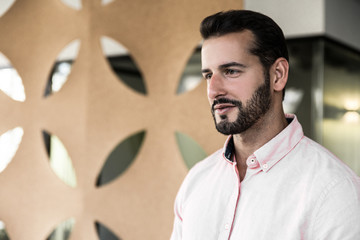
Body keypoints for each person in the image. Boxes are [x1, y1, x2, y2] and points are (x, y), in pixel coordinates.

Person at [170, 10, 360, 240]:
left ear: (278, 75)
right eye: (208, 75)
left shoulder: (334, 190)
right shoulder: (196, 181)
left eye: (231, 71)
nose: (213, 91)